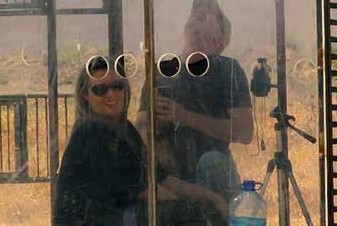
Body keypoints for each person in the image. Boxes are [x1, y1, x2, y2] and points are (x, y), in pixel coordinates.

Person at [55, 58, 227, 226]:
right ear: (85, 95)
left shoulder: (125, 130)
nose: (111, 94)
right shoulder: (90, 132)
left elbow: (161, 179)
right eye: (100, 89)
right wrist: (195, 208)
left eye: (117, 86)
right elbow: (147, 192)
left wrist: (211, 197)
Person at [138, 0, 253, 201]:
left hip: (213, 176)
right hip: (170, 177)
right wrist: (156, 121)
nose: (199, 13)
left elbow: (244, 132)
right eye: (195, 12)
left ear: (220, 40)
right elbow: (140, 129)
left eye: (210, 14)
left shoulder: (228, 70)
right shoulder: (162, 70)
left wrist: (184, 117)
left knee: (212, 162)